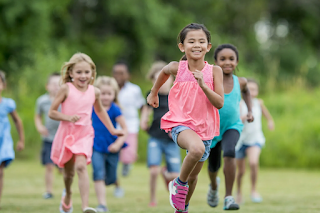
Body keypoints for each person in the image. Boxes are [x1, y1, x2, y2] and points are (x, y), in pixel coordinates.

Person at [147, 23, 224, 213]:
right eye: (191, 41)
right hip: (180, 122)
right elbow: (164, 71)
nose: (196, 45)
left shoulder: (214, 71)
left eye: (201, 41)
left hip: (204, 128)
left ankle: (182, 208)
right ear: (182, 46)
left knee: (193, 176)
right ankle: (177, 183)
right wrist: (154, 92)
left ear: (208, 46)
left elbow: (219, 103)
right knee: (196, 150)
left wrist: (204, 86)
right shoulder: (177, 68)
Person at [48, 53, 124, 213]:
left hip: (85, 134)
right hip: (68, 134)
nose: (83, 76)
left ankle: (85, 207)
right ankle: (68, 194)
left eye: (87, 72)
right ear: (71, 73)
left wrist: (112, 129)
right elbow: (52, 112)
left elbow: (100, 111)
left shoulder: (94, 92)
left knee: (81, 167)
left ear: (92, 73)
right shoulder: (65, 89)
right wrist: (68, 117)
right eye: (79, 72)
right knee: (68, 174)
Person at [207, 44, 253, 211]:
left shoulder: (240, 82)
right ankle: (213, 186)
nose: (227, 62)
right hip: (212, 128)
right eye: (223, 59)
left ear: (237, 61)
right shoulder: (210, 80)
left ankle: (228, 197)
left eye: (231, 59)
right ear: (215, 62)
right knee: (213, 167)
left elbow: (247, 92)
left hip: (232, 126)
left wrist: (249, 110)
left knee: (229, 152)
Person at [140, 61, 181, 207]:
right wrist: (143, 120)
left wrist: (177, 129)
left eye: (166, 78)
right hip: (155, 138)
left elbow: (181, 115)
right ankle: (153, 198)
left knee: (175, 175)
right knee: (153, 171)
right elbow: (146, 110)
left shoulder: (176, 96)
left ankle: (168, 178)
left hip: (172, 140)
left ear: (171, 79)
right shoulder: (152, 95)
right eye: (159, 79)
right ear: (153, 81)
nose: (163, 82)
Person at [91, 76, 128, 212]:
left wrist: (118, 144)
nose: (105, 97)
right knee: (98, 172)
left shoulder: (115, 109)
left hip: (112, 146)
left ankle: (112, 182)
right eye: (103, 93)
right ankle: (102, 205)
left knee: (110, 177)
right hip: (95, 145)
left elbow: (125, 129)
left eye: (109, 94)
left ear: (114, 94)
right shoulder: (92, 107)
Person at [235, 78, 274, 204]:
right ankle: (239, 192)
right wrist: (245, 117)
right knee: (240, 171)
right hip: (240, 140)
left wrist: (270, 121)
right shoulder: (240, 104)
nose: (251, 92)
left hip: (255, 139)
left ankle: (253, 190)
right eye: (249, 89)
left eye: (254, 89)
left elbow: (266, 114)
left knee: (253, 163)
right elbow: (236, 121)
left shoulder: (258, 103)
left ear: (257, 91)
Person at [112, 61, 145, 177]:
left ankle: (126, 165)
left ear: (128, 75)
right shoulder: (110, 89)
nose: (118, 76)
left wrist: (143, 120)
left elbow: (142, 106)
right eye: (116, 73)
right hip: (113, 125)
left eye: (121, 73)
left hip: (130, 125)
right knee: (113, 151)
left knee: (128, 152)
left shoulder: (134, 90)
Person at [0, 71, 25, 207]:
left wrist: (21, 140)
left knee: (0, 171)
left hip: (3, 141)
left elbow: (17, 121)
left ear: (3, 85)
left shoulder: (8, 104)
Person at [34, 72, 61, 199]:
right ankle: (49, 191)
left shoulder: (65, 100)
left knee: (64, 167)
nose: (56, 87)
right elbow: (37, 116)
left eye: (59, 84)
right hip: (48, 138)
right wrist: (39, 127)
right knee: (49, 165)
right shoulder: (41, 101)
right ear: (47, 86)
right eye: (53, 84)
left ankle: (67, 190)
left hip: (63, 138)